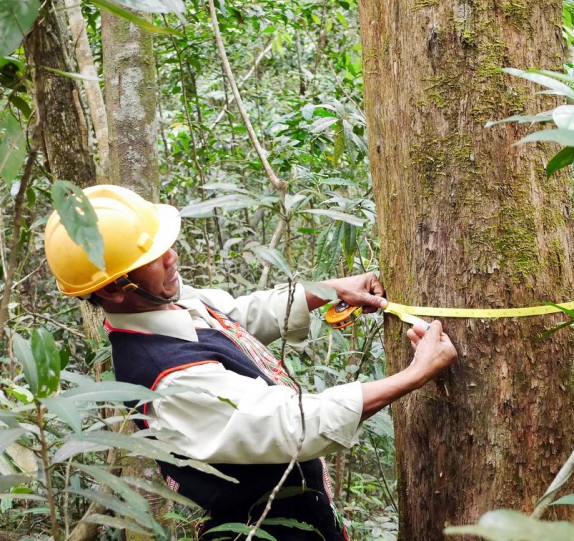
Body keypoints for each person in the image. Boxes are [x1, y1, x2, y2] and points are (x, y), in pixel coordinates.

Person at [43, 185, 457, 540]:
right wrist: (414, 374)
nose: (171, 258)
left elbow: (237, 316)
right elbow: (294, 426)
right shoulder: (168, 382)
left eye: (164, 245)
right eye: (151, 257)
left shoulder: (170, 303)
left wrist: (326, 291)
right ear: (116, 291)